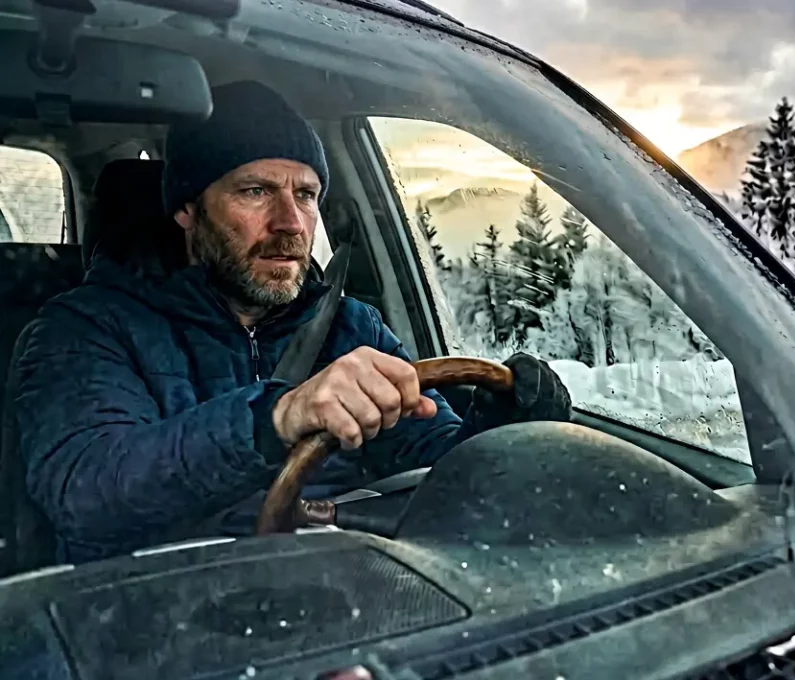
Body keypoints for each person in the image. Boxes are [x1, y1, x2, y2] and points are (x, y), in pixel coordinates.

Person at [12, 80, 572, 564]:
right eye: (255, 191)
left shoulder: (350, 327)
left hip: (340, 592)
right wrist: (274, 419)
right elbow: (85, 492)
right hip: (153, 613)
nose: (291, 223)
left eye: (306, 195)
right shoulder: (83, 328)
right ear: (187, 209)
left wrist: (505, 430)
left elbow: (428, 463)